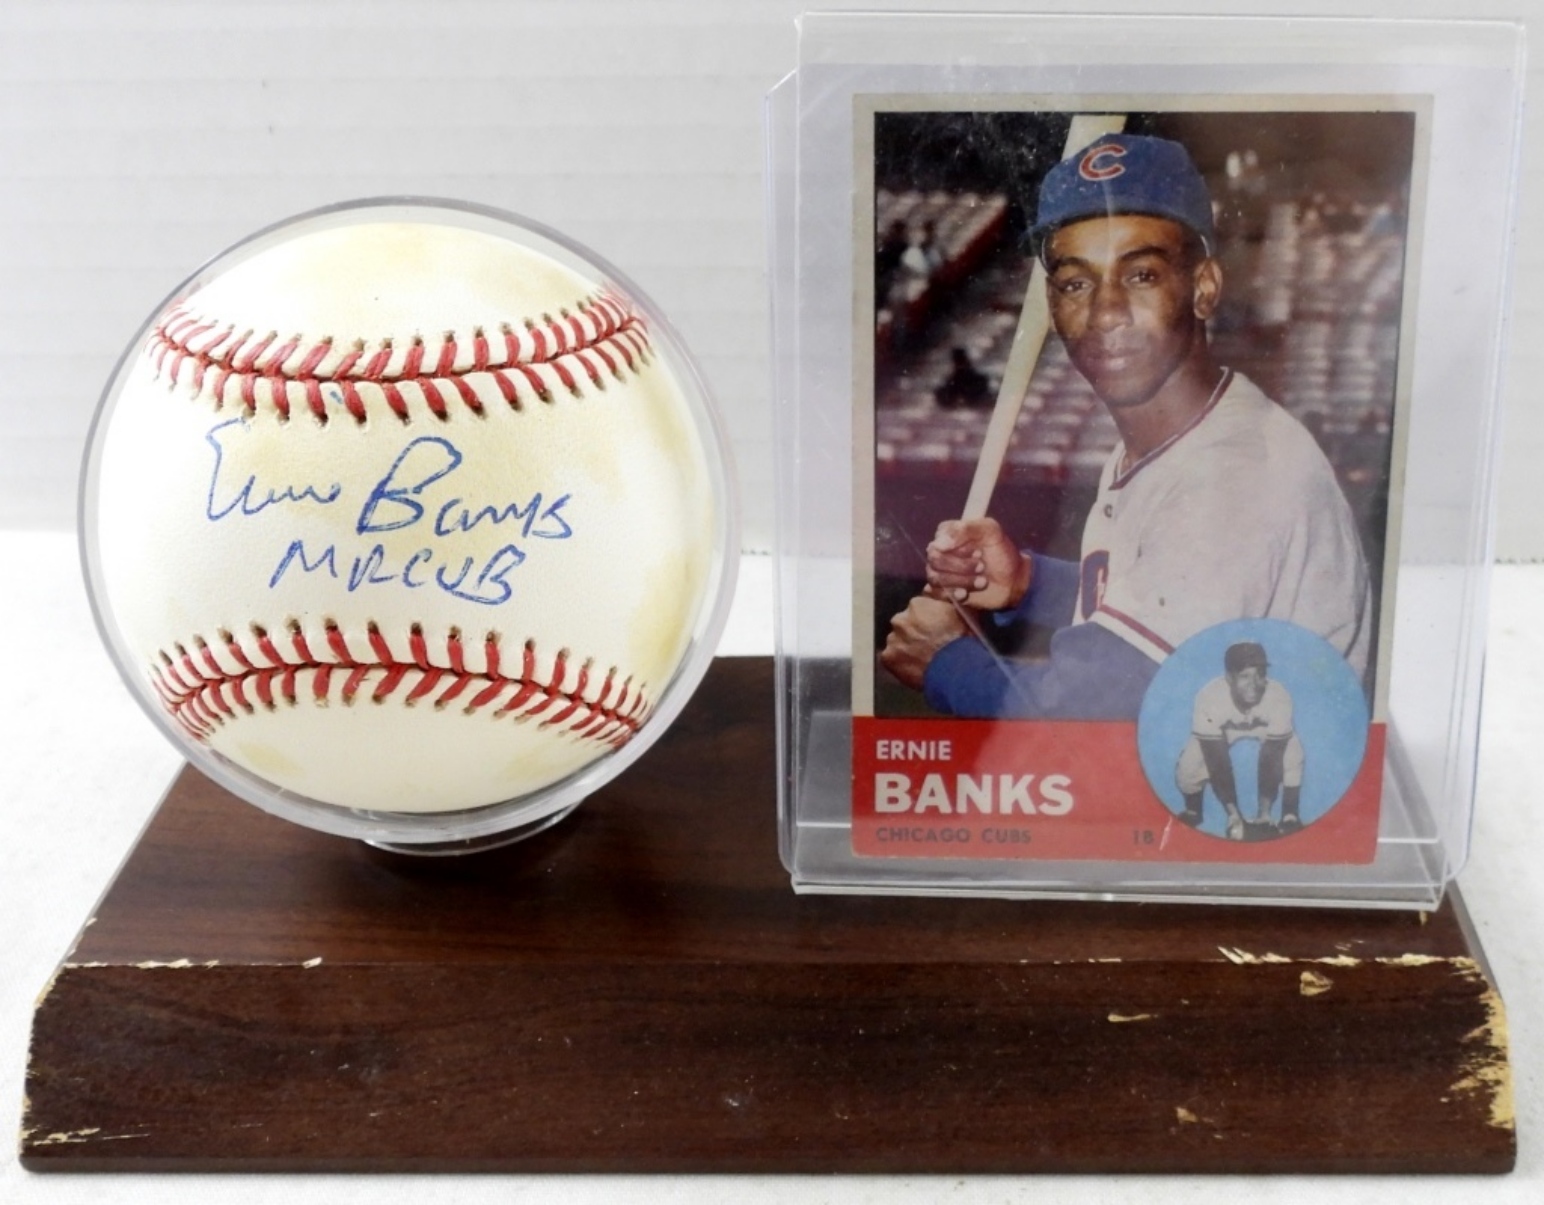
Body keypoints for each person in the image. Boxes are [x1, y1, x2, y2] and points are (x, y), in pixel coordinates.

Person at [880, 133, 1371, 719]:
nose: (1106, 311)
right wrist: (1028, 583)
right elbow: (1170, 601)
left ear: (1204, 287)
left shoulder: (1230, 475)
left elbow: (1099, 714)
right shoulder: (1180, 435)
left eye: (1141, 275)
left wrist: (944, 662)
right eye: (1075, 282)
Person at [1176, 641, 1304, 840]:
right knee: (1189, 763)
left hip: (1262, 728)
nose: (1254, 683)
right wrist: (1234, 815)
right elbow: (1217, 762)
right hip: (1225, 730)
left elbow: (1272, 757)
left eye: (1260, 674)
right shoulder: (1210, 697)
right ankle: (1194, 809)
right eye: (1244, 676)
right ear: (1229, 678)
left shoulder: (1278, 695)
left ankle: (1290, 814)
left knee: (1293, 751)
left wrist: (1264, 815)